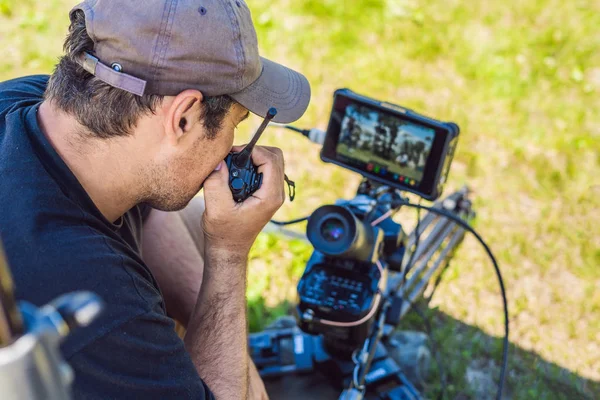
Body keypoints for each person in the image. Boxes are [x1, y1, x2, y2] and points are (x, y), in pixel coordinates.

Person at [0, 0, 310, 399]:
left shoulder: (24, 101)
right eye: (237, 124)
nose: (233, 149)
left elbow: (150, 203)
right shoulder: (99, 301)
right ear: (182, 118)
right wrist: (229, 255)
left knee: (191, 213)